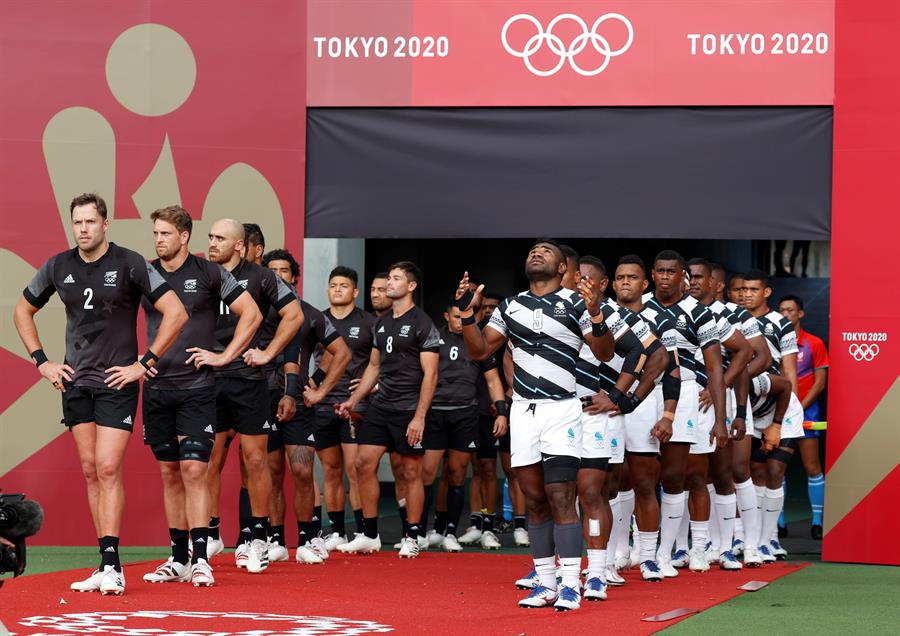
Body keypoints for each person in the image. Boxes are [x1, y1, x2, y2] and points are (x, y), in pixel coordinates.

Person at [13, 193, 188, 595]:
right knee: (92, 470)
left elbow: (176, 312)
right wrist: (42, 362)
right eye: (77, 222)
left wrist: (144, 363)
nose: (83, 229)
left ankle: (113, 567)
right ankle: (105, 562)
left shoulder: (130, 263)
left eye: (90, 222)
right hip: (76, 383)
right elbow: (22, 310)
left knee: (108, 468)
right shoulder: (58, 265)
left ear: (105, 224)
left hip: (116, 383)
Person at [456, 239, 615, 612]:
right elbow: (480, 350)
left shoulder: (577, 302)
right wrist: (466, 314)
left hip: (561, 410)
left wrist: (596, 312)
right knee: (534, 498)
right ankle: (546, 582)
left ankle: (571, 583)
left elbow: (605, 352)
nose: (536, 252)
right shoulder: (511, 306)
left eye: (546, 250)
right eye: (532, 250)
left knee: (561, 494)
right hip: (523, 412)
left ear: (562, 268)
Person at [140, 206, 261, 587]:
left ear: (184, 236)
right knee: (170, 473)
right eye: (155, 233)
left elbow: (252, 314)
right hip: (157, 388)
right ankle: (178, 559)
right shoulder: (145, 272)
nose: (158, 240)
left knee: (195, 470)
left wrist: (224, 356)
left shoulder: (209, 273)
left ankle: (201, 558)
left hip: (197, 389)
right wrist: (136, 362)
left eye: (165, 233)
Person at [203, 220, 302, 574]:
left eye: (220, 238)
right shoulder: (201, 274)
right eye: (210, 237)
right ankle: (210, 534)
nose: (212, 243)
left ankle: (257, 538)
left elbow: (294, 316)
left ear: (240, 245)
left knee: (256, 461)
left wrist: (268, 352)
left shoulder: (263, 278)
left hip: (248, 381)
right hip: (208, 379)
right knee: (207, 461)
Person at [575, 256, 667, 599]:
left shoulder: (619, 316)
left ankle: (635, 558)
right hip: (571, 410)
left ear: (602, 286)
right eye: (576, 279)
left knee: (622, 484)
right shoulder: (560, 311)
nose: (580, 286)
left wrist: (624, 398)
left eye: (586, 280)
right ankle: (599, 559)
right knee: (582, 488)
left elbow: (659, 357)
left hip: (611, 409)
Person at [337, 262, 440, 558]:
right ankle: (370, 535)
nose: (389, 283)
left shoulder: (422, 322)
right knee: (362, 464)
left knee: (411, 472)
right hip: (381, 406)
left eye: (396, 279)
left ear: (411, 286)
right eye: (389, 278)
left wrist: (419, 417)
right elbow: (373, 367)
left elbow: (431, 374)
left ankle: (412, 535)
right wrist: (353, 399)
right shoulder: (381, 323)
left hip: (409, 408)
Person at [259, 250, 351, 564]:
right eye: (272, 271)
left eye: (284, 270)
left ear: (294, 277)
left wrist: (319, 386)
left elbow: (341, 352)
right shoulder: (254, 311)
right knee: (271, 473)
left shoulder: (309, 314)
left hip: (299, 402)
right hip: (262, 400)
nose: (278, 276)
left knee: (301, 471)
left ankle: (307, 539)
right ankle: (274, 540)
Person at [644, 250, 726, 578]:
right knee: (639, 475)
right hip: (643, 391)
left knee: (685, 475)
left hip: (687, 393)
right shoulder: (639, 307)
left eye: (671, 272)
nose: (665, 277)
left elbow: (715, 367)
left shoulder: (699, 312)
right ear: (652, 274)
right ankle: (638, 550)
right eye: (660, 271)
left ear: (683, 277)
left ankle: (680, 550)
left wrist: (720, 418)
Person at [611, 255, 681, 582]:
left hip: (643, 404)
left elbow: (672, 370)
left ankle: (649, 557)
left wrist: (668, 415)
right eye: (620, 277)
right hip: (607, 405)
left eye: (632, 277)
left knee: (644, 481)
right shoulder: (601, 313)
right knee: (611, 482)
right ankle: (616, 552)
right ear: (612, 284)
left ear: (644, 283)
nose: (626, 282)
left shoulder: (660, 318)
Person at [421, 303, 508, 552]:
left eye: (464, 317)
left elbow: (492, 379)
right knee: (427, 474)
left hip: (465, 413)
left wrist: (501, 412)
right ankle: (422, 531)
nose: (460, 322)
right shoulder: (432, 338)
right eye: (456, 317)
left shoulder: (477, 342)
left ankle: (450, 531)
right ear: (446, 316)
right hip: (435, 412)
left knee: (457, 473)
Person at [684, 258, 752, 571]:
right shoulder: (659, 309)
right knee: (684, 476)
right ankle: (685, 548)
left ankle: (730, 547)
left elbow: (748, 353)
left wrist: (719, 387)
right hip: (677, 402)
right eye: (690, 277)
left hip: (715, 402)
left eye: (700, 277)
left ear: (713, 282)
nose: (694, 282)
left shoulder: (723, 315)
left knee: (725, 473)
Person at [741, 270, 803, 562]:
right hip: (751, 406)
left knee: (776, 471)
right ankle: (753, 539)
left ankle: (770, 538)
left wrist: (783, 414)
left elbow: (789, 370)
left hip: (780, 403)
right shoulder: (733, 320)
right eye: (743, 290)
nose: (747, 295)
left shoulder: (781, 323)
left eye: (753, 290)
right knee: (755, 472)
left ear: (766, 292)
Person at [314, 266, 378, 547]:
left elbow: (384, 360)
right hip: (322, 404)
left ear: (355, 292)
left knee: (355, 470)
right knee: (330, 470)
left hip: (356, 405)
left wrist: (374, 385)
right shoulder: (317, 320)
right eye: (333, 285)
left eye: (343, 286)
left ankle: (363, 532)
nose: (337, 289)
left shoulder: (369, 322)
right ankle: (337, 532)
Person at [779, 295, 828, 540]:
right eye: (782, 310)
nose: (785, 314)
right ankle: (779, 524)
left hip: (807, 412)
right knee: (777, 468)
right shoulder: (773, 341)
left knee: (812, 466)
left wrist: (797, 407)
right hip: (778, 412)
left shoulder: (814, 343)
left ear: (800, 314)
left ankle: (817, 523)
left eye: (790, 310)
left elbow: (820, 383)